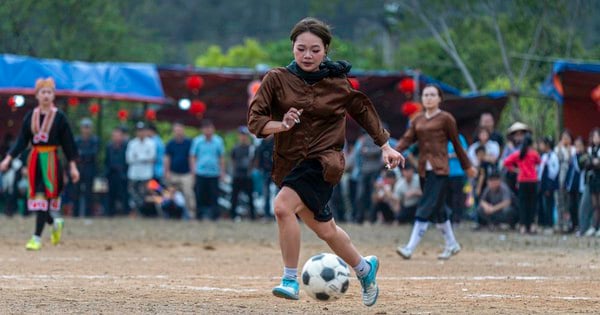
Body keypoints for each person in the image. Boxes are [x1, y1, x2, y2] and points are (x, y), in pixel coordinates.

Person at [247, 17, 404, 306]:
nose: (307, 55)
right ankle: (364, 269)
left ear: (326, 50)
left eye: (315, 50)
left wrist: (385, 146)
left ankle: (289, 279)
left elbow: (363, 110)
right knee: (325, 230)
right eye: (301, 48)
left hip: (324, 163)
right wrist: (281, 125)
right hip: (289, 165)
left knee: (282, 207)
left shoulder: (337, 83)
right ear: (292, 48)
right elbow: (255, 121)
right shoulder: (276, 79)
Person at [395, 84, 476, 261]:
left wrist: (467, 166)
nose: (429, 98)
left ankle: (410, 247)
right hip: (424, 170)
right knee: (439, 210)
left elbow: (457, 144)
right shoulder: (418, 120)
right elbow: (407, 140)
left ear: (439, 98)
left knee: (425, 206)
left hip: (440, 170)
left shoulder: (446, 119)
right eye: (426, 95)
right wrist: (394, 151)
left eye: (432, 95)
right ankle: (452, 244)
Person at [0, 77, 79, 250]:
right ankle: (54, 221)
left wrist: (72, 166)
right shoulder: (30, 117)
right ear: (37, 95)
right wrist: (8, 159)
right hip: (35, 161)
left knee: (44, 199)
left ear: (53, 95)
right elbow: (22, 141)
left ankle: (36, 237)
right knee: (39, 201)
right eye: (43, 92)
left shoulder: (60, 118)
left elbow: (68, 144)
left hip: (51, 161)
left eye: (49, 92)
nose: (46, 95)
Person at [503, 135, 540, 234]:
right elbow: (539, 162)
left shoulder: (518, 154)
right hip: (533, 181)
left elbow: (505, 162)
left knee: (523, 204)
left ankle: (523, 226)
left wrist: (516, 170)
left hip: (522, 181)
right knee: (532, 203)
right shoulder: (534, 154)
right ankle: (531, 225)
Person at [190, 119, 225, 221]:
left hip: (214, 173)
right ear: (202, 130)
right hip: (200, 172)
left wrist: (222, 171)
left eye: (210, 128)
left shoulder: (218, 141)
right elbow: (192, 156)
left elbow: (221, 157)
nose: (208, 130)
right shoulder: (197, 141)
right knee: (200, 195)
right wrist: (193, 170)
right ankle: (199, 216)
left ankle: (214, 216)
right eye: (206, 128)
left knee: (214, 196)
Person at [164, 122, 194, 216]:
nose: (178, 132)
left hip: (186, 173)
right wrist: (167, 171)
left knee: (188, 194)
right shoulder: (170, 144)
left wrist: (193, 172)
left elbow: (191, 158)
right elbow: (167, 158)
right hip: (173, 173)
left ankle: (191, 213)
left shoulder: (189, 143)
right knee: (170, 195)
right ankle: (170, 213)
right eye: (176, 130)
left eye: (180, 129)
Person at [126, 122, 156, 215]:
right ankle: (136, 212)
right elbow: (129, 158)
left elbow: (151, 158)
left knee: (146, 194)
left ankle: (146, 213)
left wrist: (138, 157)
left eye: (142, 130)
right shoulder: (132, 143)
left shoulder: (151, 143)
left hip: (146, 174)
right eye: (139, 131)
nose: (141, 133)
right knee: (133, 194)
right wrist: (144, 158)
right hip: (134, 174)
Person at [73, 118, 99, 217]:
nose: (86, 130)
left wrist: (82, 154)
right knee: (76, 191)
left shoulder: (95, 140)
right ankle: (75, 213)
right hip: (78, 168)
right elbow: (74, 153)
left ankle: (88, 213)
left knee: (89, 192)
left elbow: (93, 154)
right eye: (84, 127)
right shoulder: (77, 139)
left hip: (89, 168)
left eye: (88, 127)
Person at [229, 126, 256, 221]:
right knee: (234, 197)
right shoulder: (235, 148)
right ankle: (233, 216)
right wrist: (233, 171)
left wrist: (251, 170)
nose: (243, 137)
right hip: (237, 175)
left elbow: (254, 161)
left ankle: (252, 216)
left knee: (250, 197)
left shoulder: (251, 148)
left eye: (245, 135)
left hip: (247, 175)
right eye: (241, 135)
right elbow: (232, 160)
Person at [104, 126, 129, 216]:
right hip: (112, 173)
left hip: (122, 174)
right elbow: (106, 160)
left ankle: (125, 212)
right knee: (111, 194)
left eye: (119, 135)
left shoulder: (126, 146)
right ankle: (110, 212)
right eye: (115, 135)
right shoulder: (109, 146)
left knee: (124, 194)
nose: (117, 137)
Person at [555, 130, 576, 232]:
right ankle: (560, 223)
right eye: (564, 137)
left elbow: (573, 162)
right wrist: (560, 149)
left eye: (567, 137)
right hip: (559, 180)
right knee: (560, 202)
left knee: (568, 203)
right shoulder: (557, 149)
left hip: (570, 180)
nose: (565, 140)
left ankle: (568, 223)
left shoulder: (573, 149)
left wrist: (568, 151)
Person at [564, 137, 586, 233]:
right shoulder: (573, 156)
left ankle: (580, 225)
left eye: (579, 146)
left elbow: (579, 168)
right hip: (572, 186)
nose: (577, 148)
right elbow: (569, 171)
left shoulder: (584, 156)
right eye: (576, 146)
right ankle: (573, 224)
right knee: (571, 206)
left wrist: (576, 156)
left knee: (579, 206)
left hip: (580, 186)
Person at [537, 137, 559, 233]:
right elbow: (540, 170)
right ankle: (543, 223)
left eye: (542, 144)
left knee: (549, 204)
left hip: (549, 183)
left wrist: (549, 184)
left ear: (547, 145)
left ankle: (550, 224)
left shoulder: (553, 156)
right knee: (542, 204)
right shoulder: (543, 156)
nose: (540, 146)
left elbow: (554, 171)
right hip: (542, 182)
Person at [446, 134, 468, 223]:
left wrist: (450, 155)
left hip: (458, 172)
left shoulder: (460, 138)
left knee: (458, 196)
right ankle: (449, 217)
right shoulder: (443, 138)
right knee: (448, 196)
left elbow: (464, 152)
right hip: (446, 172)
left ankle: (457, 218)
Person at [584, 128, 600, 237]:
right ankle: (594, 226)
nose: (595, 139)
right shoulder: (591, 150)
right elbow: (587, 164)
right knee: (595, 205)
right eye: (594, 137)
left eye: (597, 136)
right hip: (593, 180)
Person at [254, 134, 275, 218]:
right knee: (266, 194)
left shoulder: (276, 143)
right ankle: (267, 213)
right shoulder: (261, 145)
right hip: (265, 171)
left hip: (276, 171)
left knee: (279, 193)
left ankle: (277, 212)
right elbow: (257, 158)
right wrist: (259, 168)